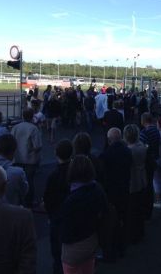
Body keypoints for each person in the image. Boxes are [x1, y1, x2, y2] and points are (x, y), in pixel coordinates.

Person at [56, 155, 108, 274]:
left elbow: (65, 229)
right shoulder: (97, 189)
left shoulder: (72, 200)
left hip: (73, 246)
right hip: (91, 240)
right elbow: (104, 212)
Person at [100, 128, 132, 260]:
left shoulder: (106, 155)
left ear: (109, 139)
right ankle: (122, 246)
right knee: (123, 218)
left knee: (111, 223)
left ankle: (112, 250)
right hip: (124, 189)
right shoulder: (127, 151)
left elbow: (102, 175)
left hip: (111, 192)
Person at [43, 139, 73, 274]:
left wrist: (49, 213)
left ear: (56, 154)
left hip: (57, 215)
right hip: (72, 214)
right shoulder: (76, 171)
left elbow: (48, 198)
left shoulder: (54, 175)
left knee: (57, 250)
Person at [11, 108, 42, 207]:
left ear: (23, 116)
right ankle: (29, 203)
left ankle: (18, 201)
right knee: (29, 182)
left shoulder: (15, 127)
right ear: (32, 116)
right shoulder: (33, 128)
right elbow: (38, 146)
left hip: (17, 159)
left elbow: (11, 142)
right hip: (30, 160)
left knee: (17, 181)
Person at [123, 124, 148, 244]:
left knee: (132, 210)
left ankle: (133, 234)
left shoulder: (129, 151)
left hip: (133, 180)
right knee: (139, 207)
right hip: (142, 178)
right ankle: (140, 231)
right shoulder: (142, 146)